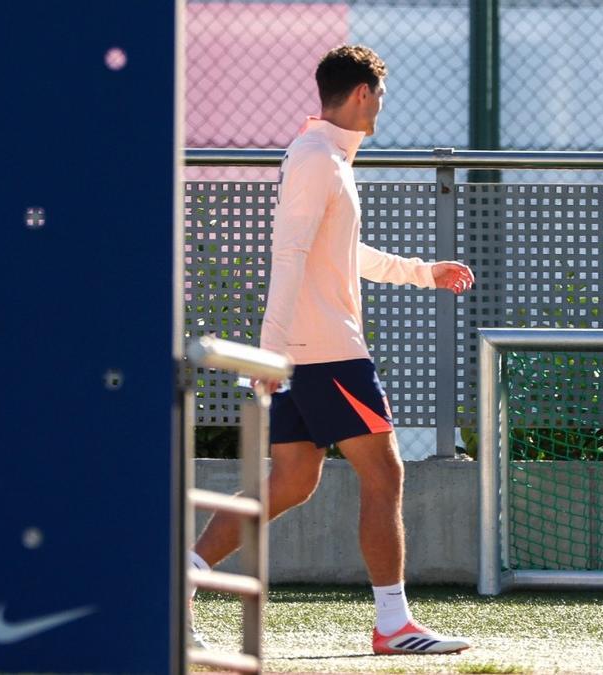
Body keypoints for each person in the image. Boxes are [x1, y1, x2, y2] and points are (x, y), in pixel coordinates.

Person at [189, 44, 475, 655]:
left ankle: (174, 585)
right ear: (365, 93)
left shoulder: (325, 158)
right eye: (382, 97)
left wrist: (424, 272)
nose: (382, 109)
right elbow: (289, 254)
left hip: (308, 351)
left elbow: (342, 254)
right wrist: (270, 356)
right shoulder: (319, 159)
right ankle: (393, 625)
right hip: (325, 352)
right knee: (385, 472)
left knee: (292, 481)